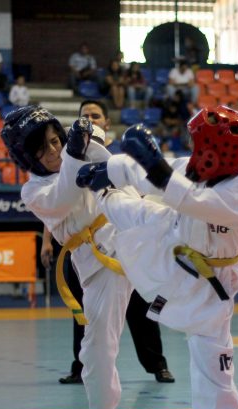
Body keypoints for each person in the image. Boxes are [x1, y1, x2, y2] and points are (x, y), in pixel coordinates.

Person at [75, 105, 238, 409]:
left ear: (217, 151)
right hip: (175, 247)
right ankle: (105, 194)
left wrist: (155, 164)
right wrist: (107, 172)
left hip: (212, 285)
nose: (194, 152)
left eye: (200, 145)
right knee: (134, 213)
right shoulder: (201, 168)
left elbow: (187, 198)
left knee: (215, 367)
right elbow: (146, 175)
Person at [1, 106, 132, 409]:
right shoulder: (34, 190)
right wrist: (75, 151)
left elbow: (114, 165)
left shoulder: (81, 150)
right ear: (27, 157)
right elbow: (65, 195)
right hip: (101, 265)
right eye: (42, 148)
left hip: (136, 233)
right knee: (96, 349)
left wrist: (88, 139)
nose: (54, 151)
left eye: (56, 141)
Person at [44, 99, 175, 384]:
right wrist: (46, 241)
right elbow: (57, 203)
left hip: (124, 241)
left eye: (95, 115)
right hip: (83, 246)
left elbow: (145, 192)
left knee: (141, 309)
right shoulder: (69, 157)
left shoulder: (123, 156)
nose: (90, 119)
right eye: (85, 116)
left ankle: (157, 364)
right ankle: (81, 367)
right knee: (84, 310)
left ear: (107, 122)